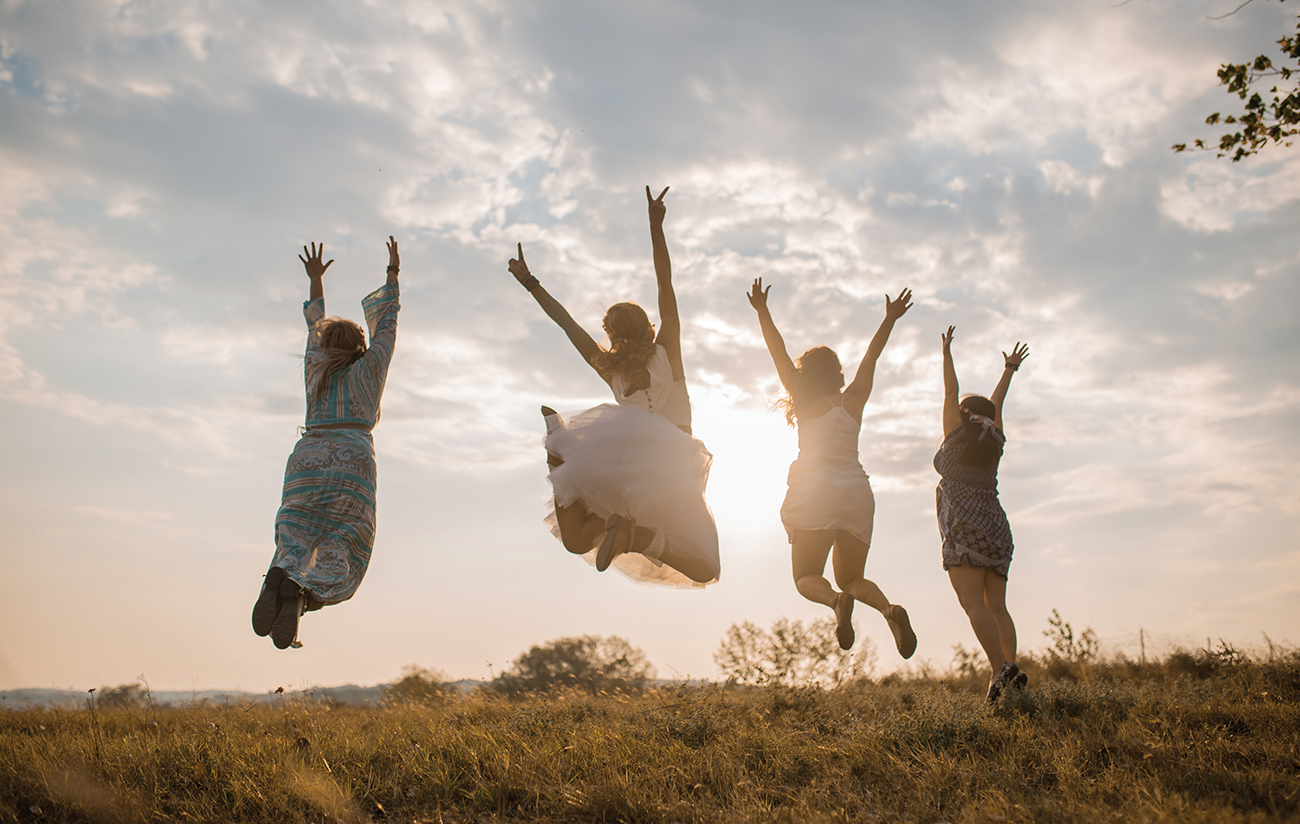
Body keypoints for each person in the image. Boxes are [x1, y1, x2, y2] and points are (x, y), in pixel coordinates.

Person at [507, 186, 719, 588]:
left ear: (611, 335)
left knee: (576, 539)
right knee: (705, 569)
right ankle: (636, 534)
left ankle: (562, 449)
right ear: (648, 327)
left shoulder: (609, 367)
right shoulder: (668, 352)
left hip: (625, 458)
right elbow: (665, 284)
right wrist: (657, 226)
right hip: (672, 461)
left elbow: (566, 323)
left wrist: (530, 282)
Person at [748, 278, 918, 657]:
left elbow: (776, 350)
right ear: (838, 373)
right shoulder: (855, 398)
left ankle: (835, 602)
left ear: (806, 372)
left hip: (814, 490)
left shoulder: (801, 394)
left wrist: (762, 310)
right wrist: (889, 319)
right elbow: (872, 358)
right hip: (856, 491)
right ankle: (889, 611)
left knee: (806, 576)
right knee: (853, 577)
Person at [251, 238, 401, 649]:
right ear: (360, 348)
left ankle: (281, 576)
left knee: (296, 533)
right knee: (345, 541)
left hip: (309, 458)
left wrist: (316, 280)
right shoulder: (371, 367)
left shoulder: (315, 365)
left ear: (323, 345)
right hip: (352, 462)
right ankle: (301, 597)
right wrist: (393, 275)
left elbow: (314, 323)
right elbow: (386, 323)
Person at [936, 326, 1029, 701]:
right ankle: (1006, 674)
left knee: (973, 604)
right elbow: (996, 405)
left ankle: (999, 669)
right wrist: (1009, 368)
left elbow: (950, 392)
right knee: (997, 606)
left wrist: (946, 355)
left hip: (964, 527)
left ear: (963, 415)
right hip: (996, 527)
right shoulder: (995, 439)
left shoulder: (955, 435)